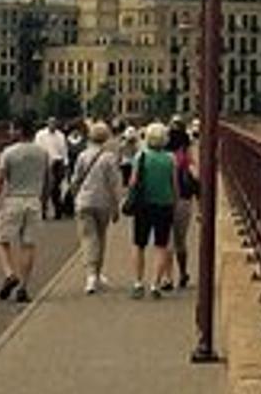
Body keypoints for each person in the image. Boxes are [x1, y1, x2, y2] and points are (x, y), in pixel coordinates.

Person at [0, 113, 47, 303]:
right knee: (28, 245)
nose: (9, 131)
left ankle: (9, 273)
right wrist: (44, 200)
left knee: (2, 239)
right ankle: (23, 287)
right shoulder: (42, 153)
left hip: (14, 199)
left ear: (20, 130)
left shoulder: (9, 152)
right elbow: (49, 180)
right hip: (34, 200)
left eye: (12, 128)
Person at [67, 120, 124, 294]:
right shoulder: (109, 158)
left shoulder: (83, 156)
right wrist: (116, 206)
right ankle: (97, 274)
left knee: (88, 237)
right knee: (101, 237)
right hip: (103, 202)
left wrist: (74, 195)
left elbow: (75, 179)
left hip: (84, 201)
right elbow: (115, 184)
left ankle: (91, 275)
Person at [128, 120, 179, 298]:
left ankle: (137, 282)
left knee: (139, 243)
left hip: (144, 204)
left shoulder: (140, 157)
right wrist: (175, 201)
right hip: (164, 204)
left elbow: (133, 182)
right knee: (161, 245)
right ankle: (155, 284)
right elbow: (174, 184)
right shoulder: (170, 158)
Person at [167, 120, 200, 289]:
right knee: (180, 241)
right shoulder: (186, 158)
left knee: (165, 240)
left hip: (164, 200)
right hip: (183, 200)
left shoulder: (162, 156)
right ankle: (183, 273)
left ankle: (167, 277)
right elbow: (196, 180)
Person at [34, 116, 69, 220]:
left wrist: (65, 164)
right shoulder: (40, 135)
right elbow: (37, 149)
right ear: (47, 123)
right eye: (51, 123)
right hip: (44, 163)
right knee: (44, 189)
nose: (53, 125)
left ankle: (58, 212)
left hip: (57, 163)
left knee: (56, 189)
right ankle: (43, 211)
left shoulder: (61, 136)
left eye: (54, 123)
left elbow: (64, 150)